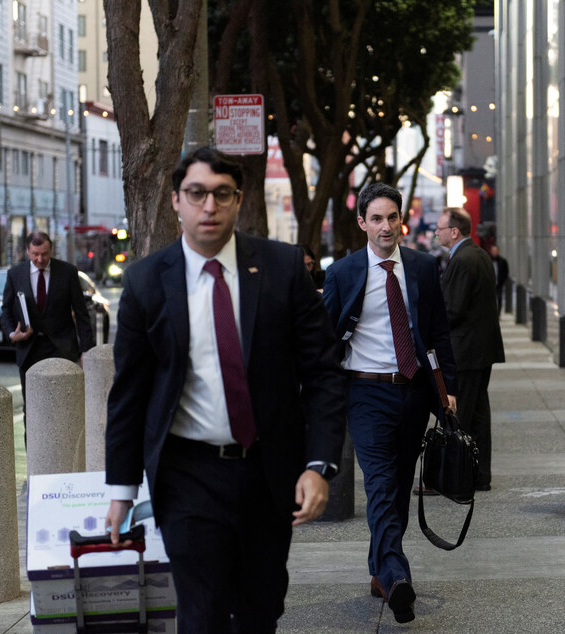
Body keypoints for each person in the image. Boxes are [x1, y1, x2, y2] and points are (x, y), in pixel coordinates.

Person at [104, 147, 346, 632]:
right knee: (203, 612)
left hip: (268, 471)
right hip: (187, 475)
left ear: (238, 200)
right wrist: (121, 491)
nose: (208, 207)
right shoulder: (148, 282)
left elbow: (322, 372)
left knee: (260, 611)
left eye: (221, 194)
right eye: (196, 194)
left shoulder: (280, 269)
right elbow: (129, 394)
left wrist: (319, 465)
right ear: (176, 200)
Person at [322, 182, 458, 624]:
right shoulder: (342, 274)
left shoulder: (420, 268)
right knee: (379, 483)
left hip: (414, 390)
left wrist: (446, 389)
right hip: (365, 393)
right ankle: (398, 577)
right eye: (376, 218)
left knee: (397, 486)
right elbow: (325, 340)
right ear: (362, 223)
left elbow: (437, 332)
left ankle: (380, 570)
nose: (386, 226)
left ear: (402, 219)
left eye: (392, 217)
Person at [437, 207, 504, 491]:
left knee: (458, 414)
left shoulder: (462, 260)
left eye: (440, 228)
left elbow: (452, 309)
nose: (436, 233)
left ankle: (456, 478)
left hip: (465, 351)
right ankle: (479, 476)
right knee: (477, 416)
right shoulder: (479, 255)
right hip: (480, 349)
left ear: (454, 231)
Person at [0, 232, 94, 429]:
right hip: (29, 349)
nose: (40, 259)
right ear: (27, 251)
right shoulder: (15, 274)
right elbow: (6, 310)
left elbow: (82, 313)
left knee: (64, 406)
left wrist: (87, 351)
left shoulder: (67, 272)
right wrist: (12, 333)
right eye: (35, 254)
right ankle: (32, 456)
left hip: (62, 348)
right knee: (32, 408)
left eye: (44, 253)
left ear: (51, 250)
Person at [489, 244, 510, 313]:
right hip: (489, 284)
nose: (494, 252)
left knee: (499, 298)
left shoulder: (503, 261)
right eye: (493, 251)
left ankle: (498, 314)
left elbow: (505, 272)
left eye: (496, 251)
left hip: (499, 284)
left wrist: (502, 281)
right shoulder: (487, 261)